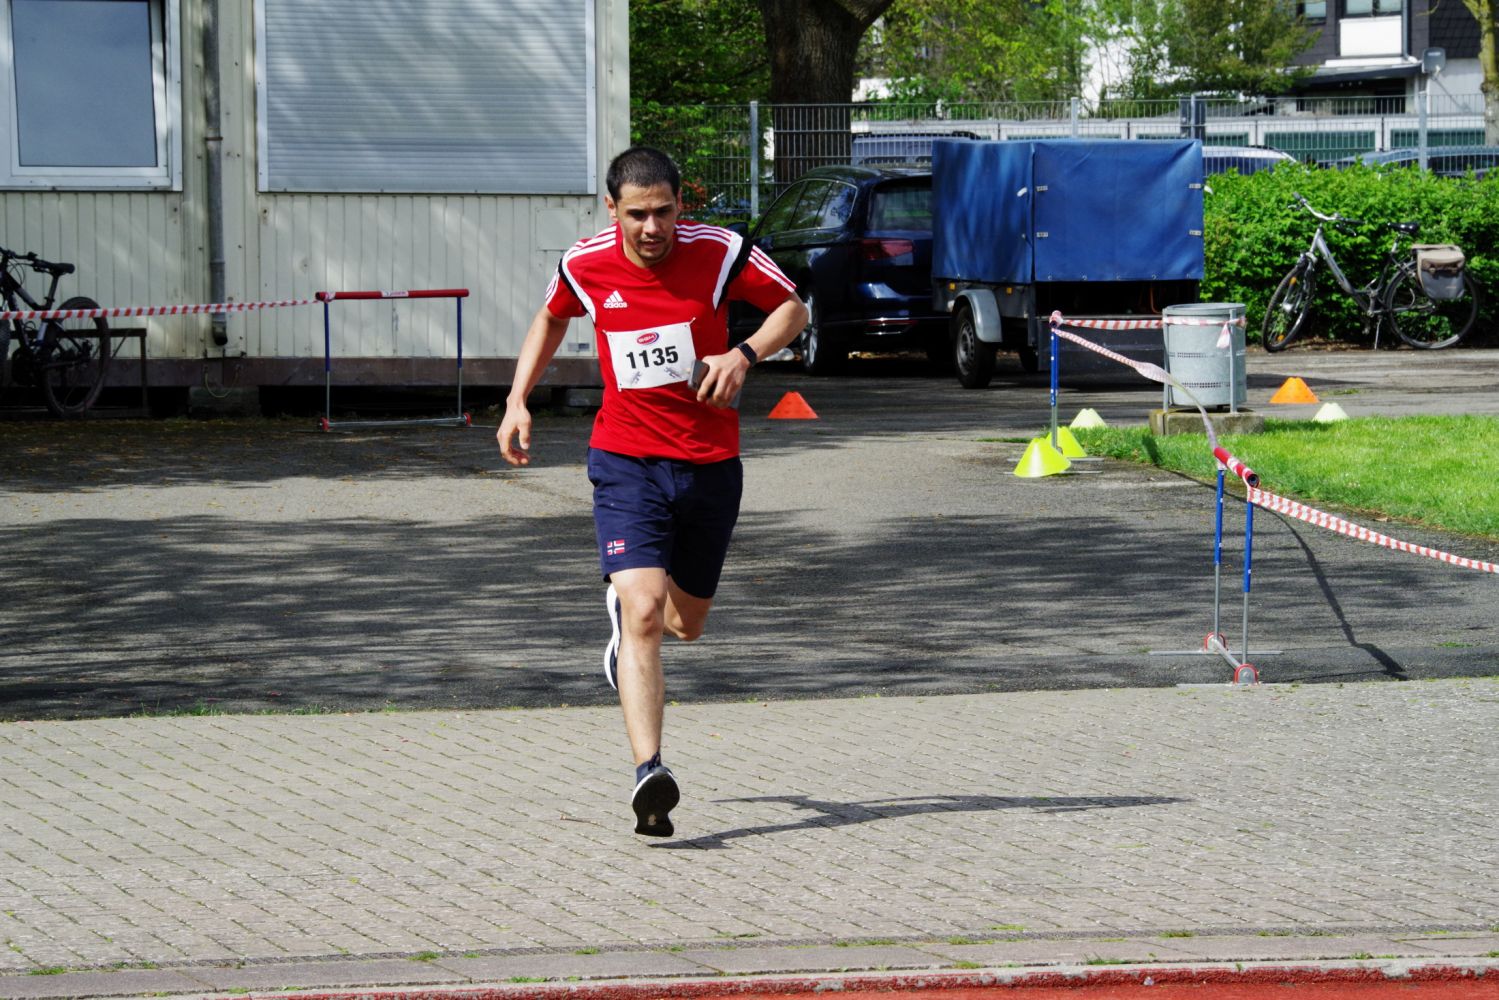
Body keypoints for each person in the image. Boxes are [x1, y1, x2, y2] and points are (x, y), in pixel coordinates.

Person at [496, 147, 807, 838]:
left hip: (709, 464)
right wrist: (518, 399)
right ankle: (650, 776)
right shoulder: (584, 263)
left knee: (684, 625)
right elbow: (551, 317)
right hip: (625, 459)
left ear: (679, 204)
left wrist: (743, 354)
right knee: (642, 612)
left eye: (663, 212)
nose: (652, 228)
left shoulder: (719, 252)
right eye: (636, 214)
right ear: (612, 209)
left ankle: (628, 632)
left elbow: (793, 308)